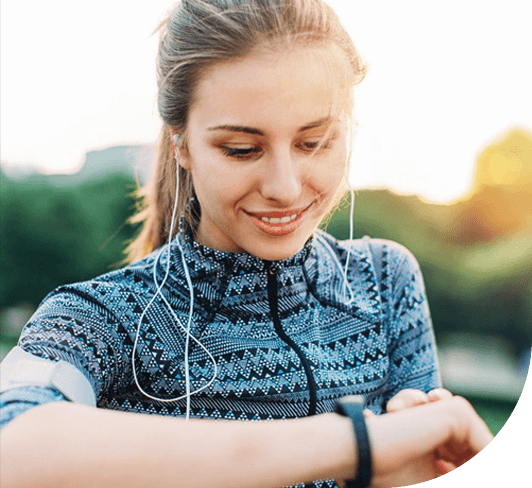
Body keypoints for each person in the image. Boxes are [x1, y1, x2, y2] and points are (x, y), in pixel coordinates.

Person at [0, 1, 493, 487]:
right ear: (182, 146)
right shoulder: (102, 317)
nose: (284, 186)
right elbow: (11, 441)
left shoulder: (386, 281)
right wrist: (365, 445)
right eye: (241, 149)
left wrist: (407, 467)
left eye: (314, 141)